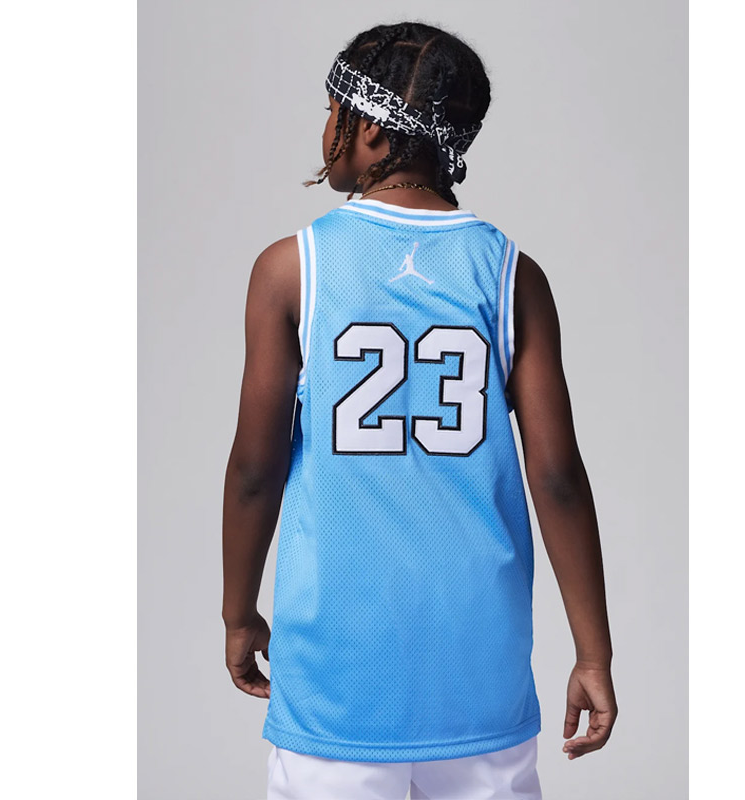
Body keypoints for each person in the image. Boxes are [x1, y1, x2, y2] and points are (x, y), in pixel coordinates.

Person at [221, 22, 618, 800]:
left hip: (337, 675)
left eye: (332, 111)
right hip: (481, 674)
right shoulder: (512, 274)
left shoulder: (291, 269)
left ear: (369, 127)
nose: (325, 130)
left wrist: (239, 613)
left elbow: (254, 471)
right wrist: (593, 653)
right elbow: (559, 478)